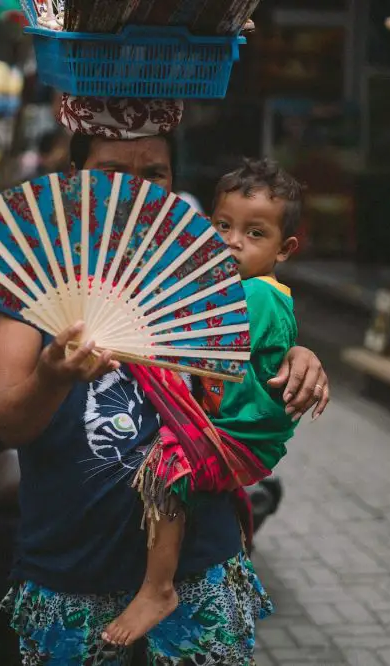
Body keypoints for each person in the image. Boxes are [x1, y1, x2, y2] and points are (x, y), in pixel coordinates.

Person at [0, 95, 329, 665]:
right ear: (76, 178)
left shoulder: (200, 269)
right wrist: (50, 377)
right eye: (112, 172)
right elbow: (9, 421)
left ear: (173, 184)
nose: (134, 189)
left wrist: (300, 354)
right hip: (72, 571)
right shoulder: (24, 275)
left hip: (200, 563)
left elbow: (259, 333)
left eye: (153, 174)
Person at [102, 158, 304, 647]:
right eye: (223, 226)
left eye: (255, 234)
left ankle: (158, 588)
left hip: (240, 429)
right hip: (222, 422)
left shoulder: (258, 295)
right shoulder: (229, 288)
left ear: (285, 249)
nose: (233, 242)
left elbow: (200, 347)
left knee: (167, 469)